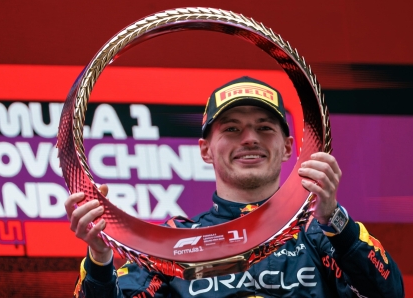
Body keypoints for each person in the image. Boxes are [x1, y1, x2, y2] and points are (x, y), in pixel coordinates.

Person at [65, 76, 404, 297]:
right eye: (231, 129)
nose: (250, 139)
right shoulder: (171, 243)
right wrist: (100, 255)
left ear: (289, 147)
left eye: (264, 128)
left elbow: (388, 293)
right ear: (205, 150)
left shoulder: (322, 235)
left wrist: (335, 221)